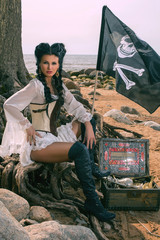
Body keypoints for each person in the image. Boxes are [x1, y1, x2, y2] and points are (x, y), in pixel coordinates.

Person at [0, 43, 115, 222]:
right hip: (39, 144)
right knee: (79, 150)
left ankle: (90, 166)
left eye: (54, 63)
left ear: (59, 64)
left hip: (55, 136)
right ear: (39, 64)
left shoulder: (59, 84)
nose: (50, 67)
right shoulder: (35, 86)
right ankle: (93, 202)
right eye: (46, 63)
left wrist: (89, 125)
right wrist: (26, 125)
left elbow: (76, 107)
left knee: (87, 120)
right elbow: (9, 105)